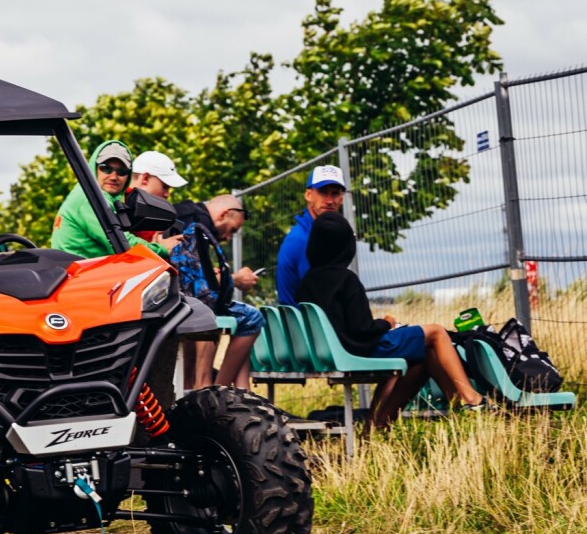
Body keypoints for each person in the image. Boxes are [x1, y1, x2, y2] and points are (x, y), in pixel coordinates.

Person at [297, 212, 489, 428]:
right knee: (436, 332)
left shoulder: (306, 283)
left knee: (422, 357)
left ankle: (378, 425)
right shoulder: (346, 280)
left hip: (334, 351)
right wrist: (386, 323)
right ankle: (472, 399)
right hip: (359, 350)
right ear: (346, 246)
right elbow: (363, 329)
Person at [168, 194, 264, 390]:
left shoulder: (185, 214)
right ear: (224, 215)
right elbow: (201, 288)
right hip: (192, 306)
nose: (228, 238)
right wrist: (233, 279)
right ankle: (215, 391)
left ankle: (239, 391)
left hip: (177, 300)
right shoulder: (199, 226)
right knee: (252, 318)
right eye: (232, 230)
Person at [52, 140, 181, 258]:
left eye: (122, 171)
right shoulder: (90, 198)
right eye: (106, 168)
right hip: (79, 275)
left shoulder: (104, 197)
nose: (114, 176)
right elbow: (122, 243)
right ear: (94, 168)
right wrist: (162, 248)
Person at [277, 164, 346, 306]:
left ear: (342, 198)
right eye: (322, 192)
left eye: (334, 193)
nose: (329, 201)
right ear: (308, 195)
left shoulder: (316, 234)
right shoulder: (303, 239)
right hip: (308, 325)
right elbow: (320, 296)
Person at [128, 151, 187, 242]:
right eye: (165, 186)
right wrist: (160, 248)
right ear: (145, 179)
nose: (167, 194)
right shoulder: (123, 208)